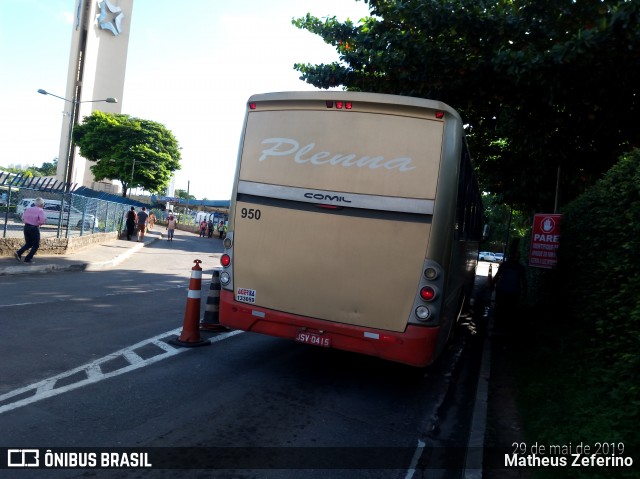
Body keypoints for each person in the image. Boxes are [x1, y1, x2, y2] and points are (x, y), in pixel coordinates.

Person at [492, 250, 527, 334]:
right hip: (512, 293)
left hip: (504, 292)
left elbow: (497, 276)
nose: (515, 259)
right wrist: (524, 292)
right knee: (509, 312)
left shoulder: (505, 265)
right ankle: (505, 330)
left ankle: (498, 329)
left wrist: (491, 285)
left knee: (502, 311)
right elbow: (524, 281)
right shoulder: (520, 268)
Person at [15, 197, 47, 264]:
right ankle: (28, 259)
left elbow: (22, 218)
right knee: (36, 245)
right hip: (34, 228)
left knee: (29, 243)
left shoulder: (28, 209)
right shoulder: (40, 210)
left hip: (26, 227)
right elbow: (42, 220)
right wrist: (39, 223)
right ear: (41, 204)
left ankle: (19, 253)